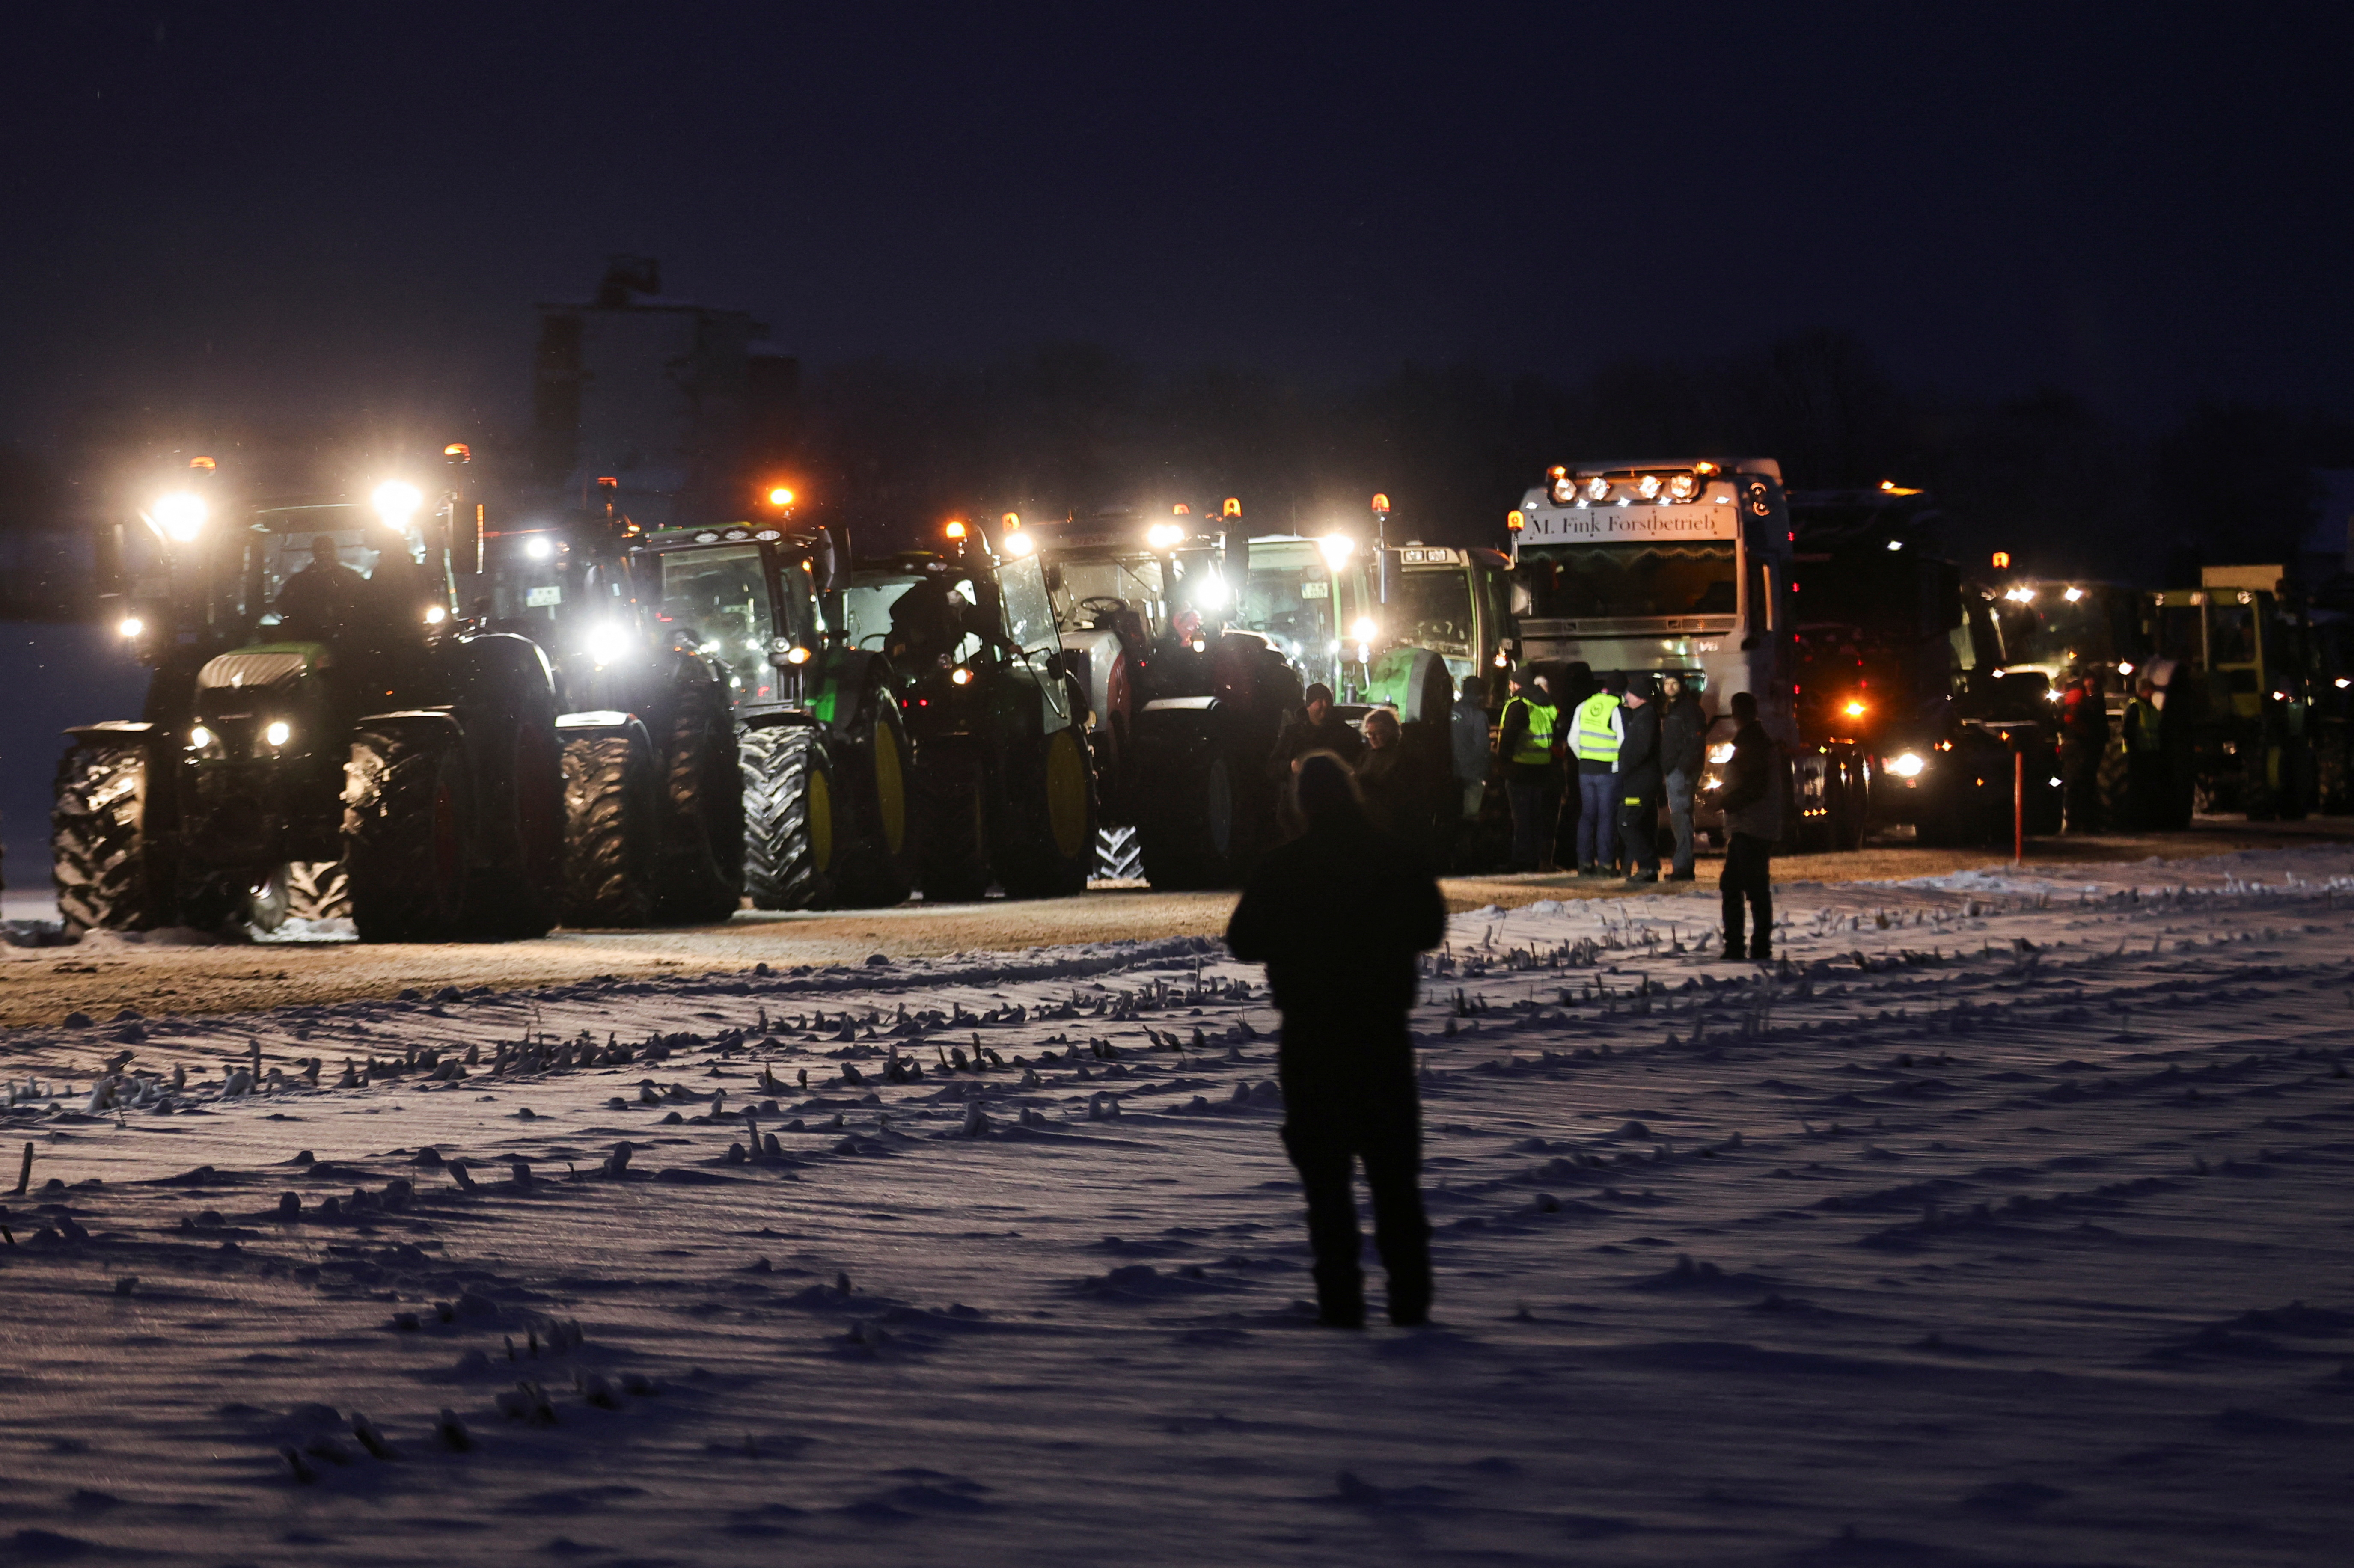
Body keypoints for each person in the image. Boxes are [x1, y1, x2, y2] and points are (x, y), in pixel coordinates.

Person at [1225, 752, 1446, 1329]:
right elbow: (1430, 927)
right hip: (1380, 1037)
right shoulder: (1392, 858)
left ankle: (1341, 1305)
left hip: (1312, 1039)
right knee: (1395, 1180)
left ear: (1302, 804)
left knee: (1326, 1186)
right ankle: (1410, 1303)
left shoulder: (1283, 867)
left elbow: (1243, 941)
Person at [1717, 691, 1781, 962]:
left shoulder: (1751, 744)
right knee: (1749, 887)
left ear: (1736, 714)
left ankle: (1744, 947)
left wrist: (1723, 801)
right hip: (1754, 826)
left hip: (1750, 826)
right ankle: (1754, 946)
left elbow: (1753, 788)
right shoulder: (1757, 741)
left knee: (1741, 887)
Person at [1495, 669, 1561, 872]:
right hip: (1542, 770)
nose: (1510, 688)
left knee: (1522, 819)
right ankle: (1538, 860)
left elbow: (1509, 737)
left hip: (1520, 769)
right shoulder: (1546, 704)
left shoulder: (1519, 705)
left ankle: (1522, 861)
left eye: (1511, 684)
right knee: (1537, 818)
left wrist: (1502, 763)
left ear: (1517, 685)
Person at [1569, 673, 1624, 876]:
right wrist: (1617, 766)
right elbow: (1623, 742)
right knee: (1607, 817)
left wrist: (1584, 758)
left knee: (1587, 816)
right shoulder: (1616, 708)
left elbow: (1572, 739)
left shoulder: (1583, 706)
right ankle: (1606, 865)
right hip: (1608, 772)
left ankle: (1584, 864)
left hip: (1586, 770)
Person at [273, 535, 367, 644]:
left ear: (333, 552)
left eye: (327, 551)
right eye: (321, 551)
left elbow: (365, 605)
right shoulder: (299, 582)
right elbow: (283, 606)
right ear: (314, 553)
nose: (324, 555)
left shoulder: (351, 578)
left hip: (346, 639)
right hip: (308, 639)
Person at [1615, 673, 1663, 885]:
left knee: (1627, 821)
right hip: (1641, 779)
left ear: (1641, 697)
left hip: (1639, 782)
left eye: (1631, 694)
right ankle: (1649, 869)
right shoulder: (1643, 715)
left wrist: (1625, 766)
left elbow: (1641, 749)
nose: (1627, 697)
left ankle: (1647, 865)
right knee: (1642, 824)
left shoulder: (1645, 717)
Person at [1659, 672, 1706, 881]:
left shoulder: (1689, 710)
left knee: (1681, 818)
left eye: (1674, 683)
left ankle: (1683, 867)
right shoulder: (1673, 708)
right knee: (1682, 817)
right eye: (1667, 684)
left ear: (1682, 686)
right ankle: (1684, 865)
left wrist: (1681, 768)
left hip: (1681, 771)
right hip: (1676, 769)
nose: (1669, 687)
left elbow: (1696, 741)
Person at [1269, 682, 1364, 779]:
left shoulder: (1348, 735)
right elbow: (1274, 766)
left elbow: (1361, 765)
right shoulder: (1293, 734)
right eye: (1320, 700)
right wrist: (1290, 767)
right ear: (1308, 706)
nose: (1325, 705)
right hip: (1301, 792)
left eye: (1328, 700)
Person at [2060, 667, 2109, 834]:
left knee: (2077, 784)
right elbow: (2093, 722)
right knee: (2084, 784)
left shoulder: (2077, 697)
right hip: (2083, 745)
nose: (2092, 682)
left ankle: (2076, 822)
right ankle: (2084, 823)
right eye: (2089, 679)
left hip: (2074, 744)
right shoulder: (2087, 700)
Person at [1356, 706, 1410, 832]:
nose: (1372, 738)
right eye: (1370, 734)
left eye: (1378, 733)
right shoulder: (1367, 755)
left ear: (1390, 731)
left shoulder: (1401, 758)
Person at [2123, 674, 2165, 831]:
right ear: (2143, 691)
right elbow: (2128, 732)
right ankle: (2135, 822)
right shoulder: (2135, 707)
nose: (2152, 694)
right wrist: (2135, 750)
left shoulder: (2152, 709)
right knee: (2137, 790)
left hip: (2151, 754)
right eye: (2149, 691)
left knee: (2148, 790)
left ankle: (2147, 821)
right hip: (2138, 755)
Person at [1450, 674, 1492, 824]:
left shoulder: (1450, 710)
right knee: (1470, 818)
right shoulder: (1479, 716)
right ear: (1480, 695)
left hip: (1452, 771)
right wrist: (1486, 774)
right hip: (1472, 775)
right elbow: (1483, 748)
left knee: (1452, 815)